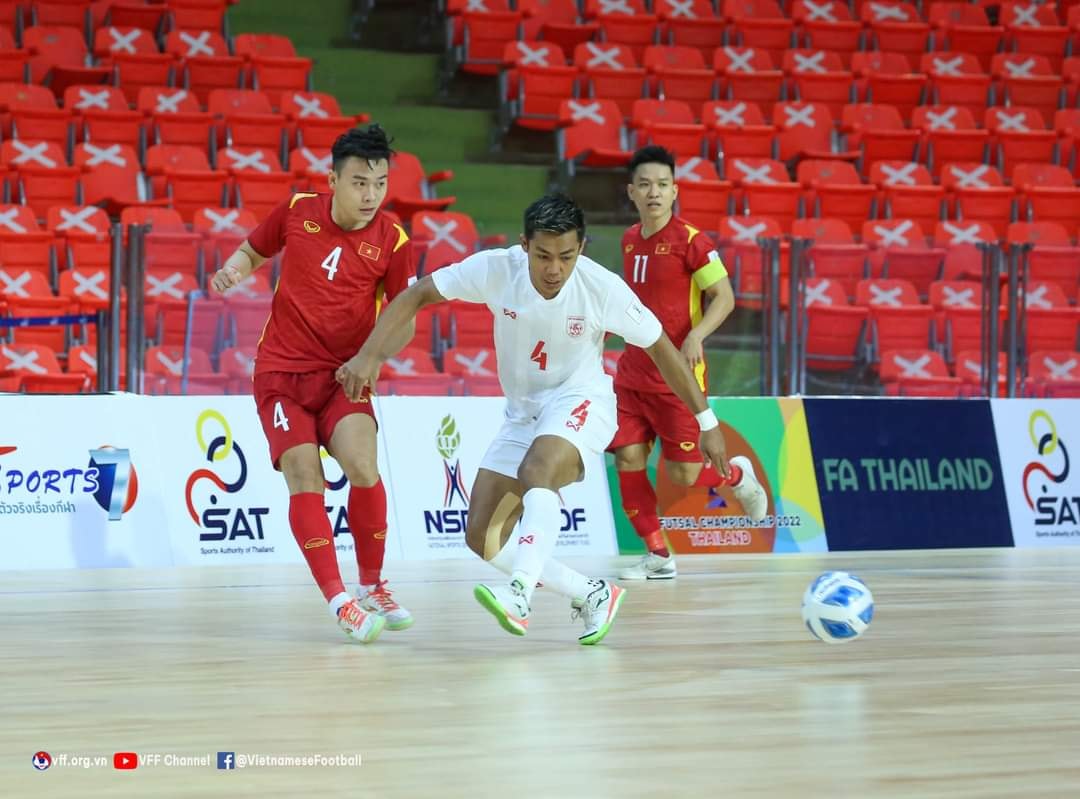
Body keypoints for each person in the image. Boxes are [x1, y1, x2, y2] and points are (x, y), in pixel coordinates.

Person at [335, 193, 730, 645]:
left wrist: (707, 422)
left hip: (583, 401)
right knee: (482, 536)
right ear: (524, 245)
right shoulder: (495, 270)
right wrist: (369, 356)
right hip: (523, 414)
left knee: (538, 470)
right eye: (542, 255)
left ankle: (520, 594)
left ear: (581, 248)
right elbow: (417, 294)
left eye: (566, 256)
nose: (554, 269)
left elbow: (662, 348)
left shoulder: (602, 288)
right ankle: (592, 592)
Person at [210, 124, 414, 643]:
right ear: (333, 181)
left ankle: (372, 585)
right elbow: (254, 250)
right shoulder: (298, 211)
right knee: (305, 476)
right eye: (359, 183)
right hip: (281, 374)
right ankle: (340, 600)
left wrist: (372, 357)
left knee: (364, 467)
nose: (370, 195)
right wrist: (234, 270)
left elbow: (405, 317)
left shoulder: (392, 239)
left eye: (380, 183)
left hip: (345, 375)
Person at [610, 146, 768, 581]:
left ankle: (736, 476)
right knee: (627, 458)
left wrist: (697, 335)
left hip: (678, 380)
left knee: (682, 474)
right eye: (645, 184)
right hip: (631, 376)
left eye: (662, 184)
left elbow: (726, 297)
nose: (654, 192)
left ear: (675, 190)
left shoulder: (694, 241)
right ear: (632, 192)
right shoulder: (627, 240)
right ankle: (658, 555)